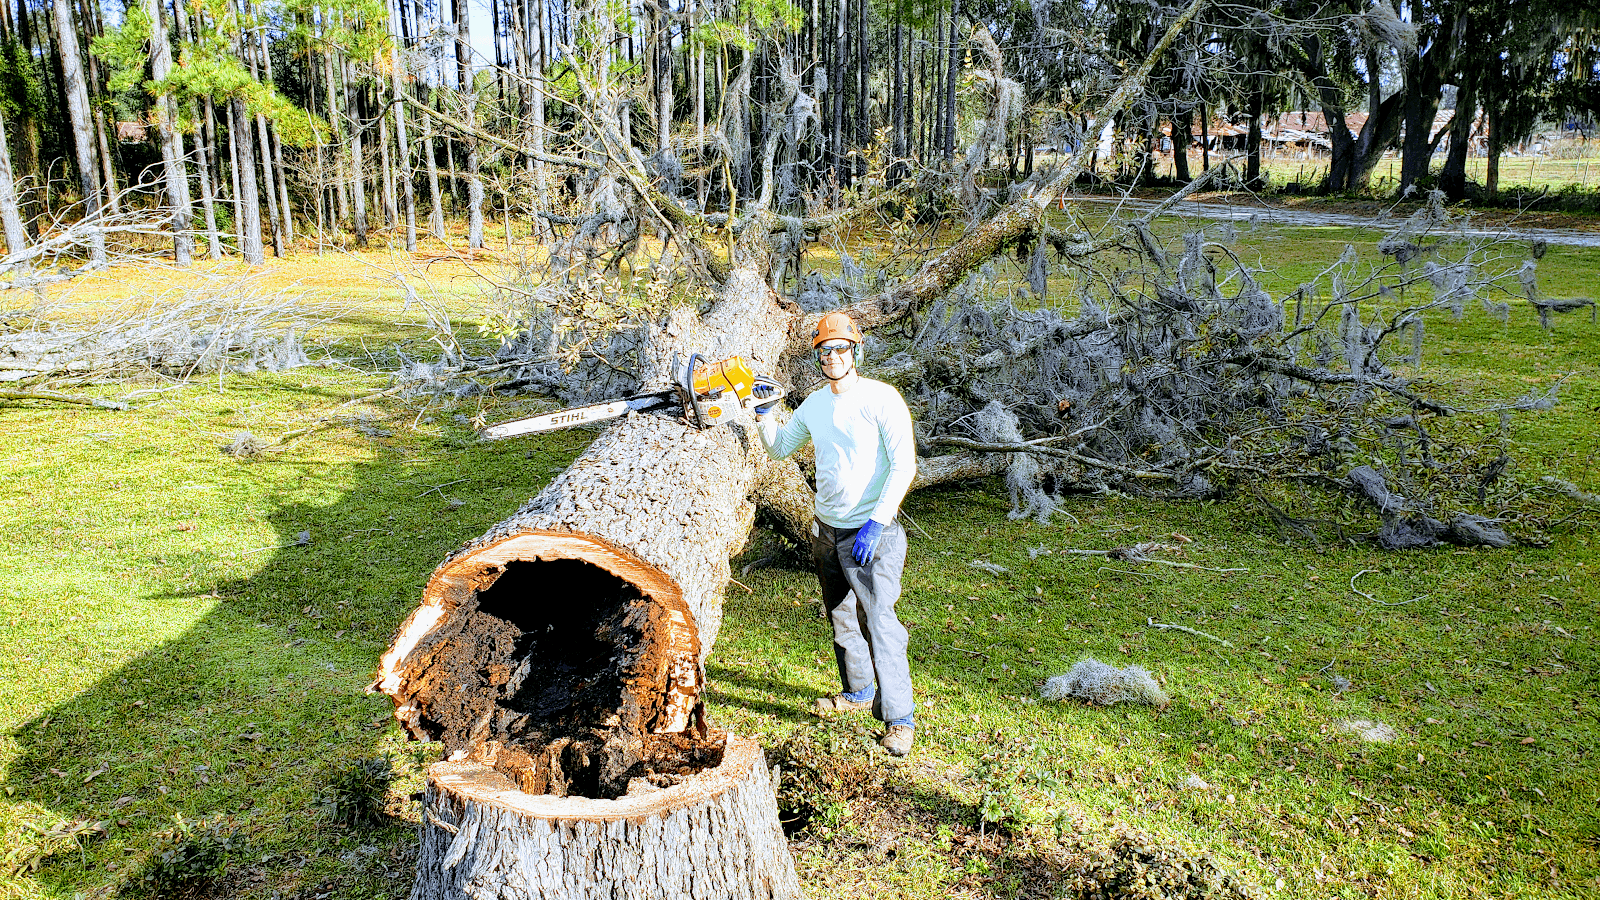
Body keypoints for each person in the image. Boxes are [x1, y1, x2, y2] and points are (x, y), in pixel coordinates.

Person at [753, 312, 919, 756]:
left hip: (872, 533)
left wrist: (878, 521)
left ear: (856, 352)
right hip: (827, 530)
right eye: (824, 351)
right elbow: (780, 447)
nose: (832, 357)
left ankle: (899, 717)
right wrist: (765, 413)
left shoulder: (882, 399)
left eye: (840, 349)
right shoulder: (814, 404)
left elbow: (904, 466)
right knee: (842, 615)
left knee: (879, 621)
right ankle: (859, 689)